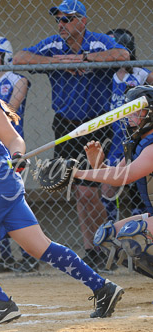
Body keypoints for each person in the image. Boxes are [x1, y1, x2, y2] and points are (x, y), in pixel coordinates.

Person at [0, 48, 124, 325]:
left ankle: (1, 302)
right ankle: (103, 287)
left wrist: (16, 156)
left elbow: (15, 141)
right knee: (40, 247)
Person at [12, 0, 130, 270]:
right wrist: (57, 61)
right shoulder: (54, 45)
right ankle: (92, 250)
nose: (61, 24)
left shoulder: (98, 43)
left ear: (83, 21)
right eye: (59, 20)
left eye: (68, 19)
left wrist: (84, 59)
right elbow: (20, 57)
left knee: (91, 192)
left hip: (96, 125)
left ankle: (107, 245)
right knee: (79, 191)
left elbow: (122, 55)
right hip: (66, 125)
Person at [74, 85, 153, 278]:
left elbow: (127, 176)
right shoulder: (138, 143)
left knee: (133, 234)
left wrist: (76, 173)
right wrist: (98, 166)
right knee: (109, 236)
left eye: (137, 112)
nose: (130, 117)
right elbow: (118, 176)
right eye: (129, 112)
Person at [0, 36, 36, 273]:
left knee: (13, 202)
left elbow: (10, 110)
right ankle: (3, 257)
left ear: (6, 58)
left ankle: (29, 255)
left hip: (12, 151)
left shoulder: (18, 80)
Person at [100, 29, 153, 222]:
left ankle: (139, 230)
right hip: (116, 138)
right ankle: (111, 226)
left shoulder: (139, 73)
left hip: (137, 136)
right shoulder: (109, 75)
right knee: (108, 186)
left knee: (137, 186)